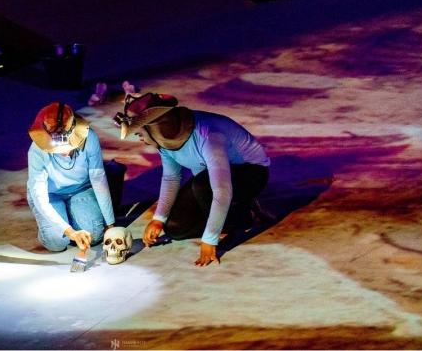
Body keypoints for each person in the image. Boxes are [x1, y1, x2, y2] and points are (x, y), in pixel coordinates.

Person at [113, 93, 271, 266]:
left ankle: (243, 216)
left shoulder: (208, 135)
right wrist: (159, 219)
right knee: (175, 229)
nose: (141, 139)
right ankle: (234, 213)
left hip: (251, 173)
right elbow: (171, 178)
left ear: (156, 128)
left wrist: (210, 240)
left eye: (139, 134)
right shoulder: (164, 141)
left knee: (202, 186)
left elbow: (222, 190)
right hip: (210, 180)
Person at [27, 102, 115, 252]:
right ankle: (56, 221)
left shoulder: (90, 138)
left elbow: (98, 179)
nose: (64, 152)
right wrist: (69, 231)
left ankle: (71, 214)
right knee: (56, 243)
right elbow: (40, 198)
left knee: (94, 235)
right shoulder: (36, 151)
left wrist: (111, 224)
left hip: (80, 189)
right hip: (51, 195)